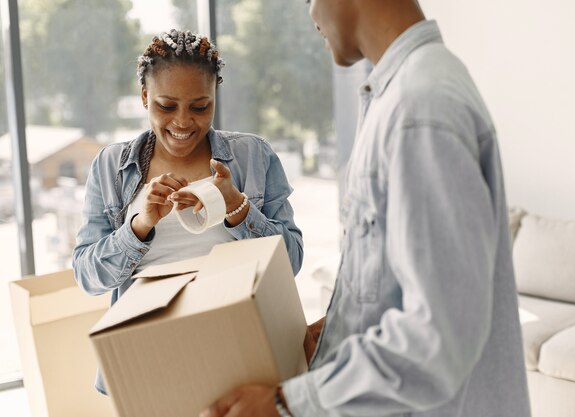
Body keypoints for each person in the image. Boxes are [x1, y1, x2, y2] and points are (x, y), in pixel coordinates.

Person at [202, 1, 530, 417]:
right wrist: (346, 327)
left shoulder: (419, 107)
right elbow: (411, 286)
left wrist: (284, 404)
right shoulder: (403, 94)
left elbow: (438, 337)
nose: (311, 16)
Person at [72, 29, 303, 395]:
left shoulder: (253, 156)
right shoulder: (111, 166)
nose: (182, 123)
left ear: (214, 98)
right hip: (148, 360)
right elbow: (87, 276)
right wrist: (140, 225)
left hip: (241, 347)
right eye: (166, 106)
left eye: (200, 107)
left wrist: (236, 206)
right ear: (145, 96)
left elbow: (290, 262)